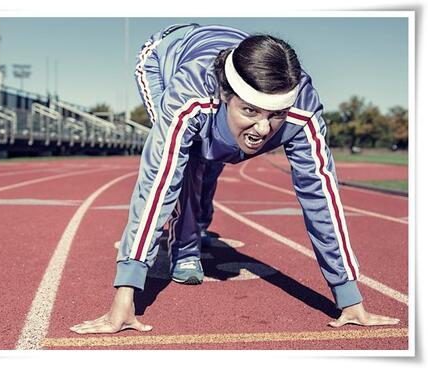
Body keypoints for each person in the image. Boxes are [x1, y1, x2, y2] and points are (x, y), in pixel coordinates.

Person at [70, 23, 399, 334]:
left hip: (227, 60)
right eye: (251, 111)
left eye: (276, 115)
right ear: (227, 96)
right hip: (164, 56)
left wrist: (349, 298)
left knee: (214, 155)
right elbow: (158, 183)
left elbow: (322, 198)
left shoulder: (303, 111)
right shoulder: (190, 95)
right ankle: (185, 247)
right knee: (186, 160)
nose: (263, 130)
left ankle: (199, 220)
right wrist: (125, 296)